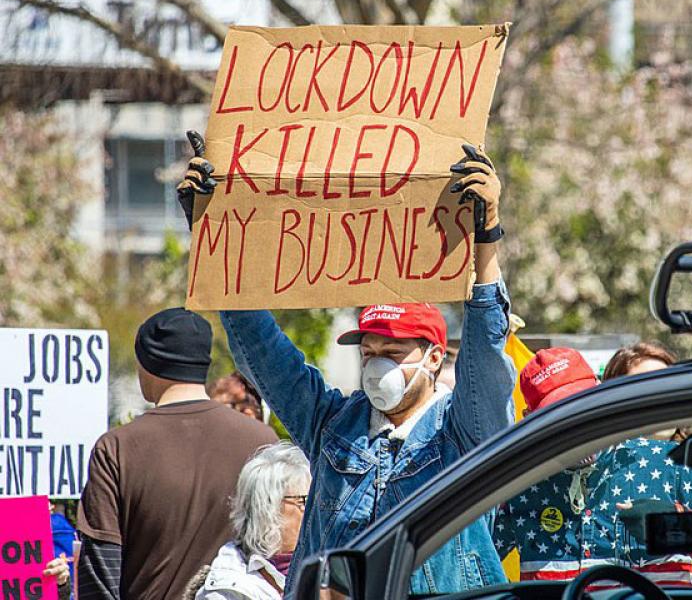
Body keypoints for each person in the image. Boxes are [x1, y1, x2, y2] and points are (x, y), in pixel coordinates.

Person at [177, 134, 516, 593]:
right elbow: (263, 352)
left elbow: (484, 359)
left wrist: (487, 237)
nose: (378, 367)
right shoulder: (333, 424)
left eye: (393, 354)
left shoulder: (463, 434)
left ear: (435, 358)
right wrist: (213, 235)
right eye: (369, 353)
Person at [76, 308, 277, 600]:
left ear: (146, 364)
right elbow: (281, 552)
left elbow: (100, 574)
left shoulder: (117, 448)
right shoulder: (262, 441)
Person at [494, 347, 692, 587]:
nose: (574, 424)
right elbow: (466, 559)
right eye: (557, 415)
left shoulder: (672, 463)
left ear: (599, 395)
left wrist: (673, 525)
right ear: (530, 417)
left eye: (581, 407)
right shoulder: (521, 485)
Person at [192, 442, 311, 599]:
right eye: (305, 500)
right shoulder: (225, 591)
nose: (313, 510)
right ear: (268, 507)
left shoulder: (326, 566)